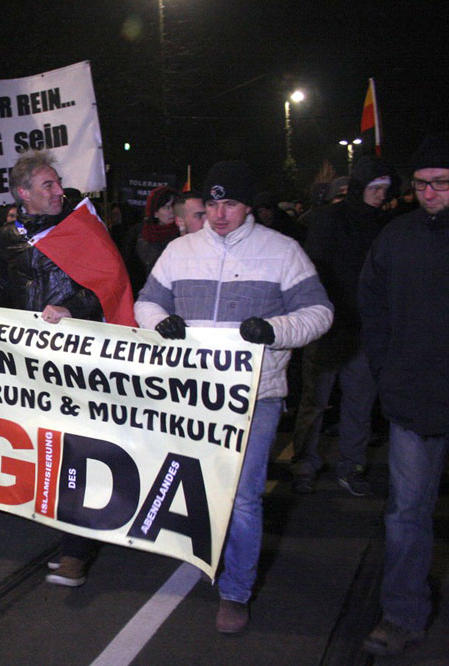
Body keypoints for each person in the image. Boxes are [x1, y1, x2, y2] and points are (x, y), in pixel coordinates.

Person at [134, 161, 333, 633]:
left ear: (249, 207)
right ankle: (201, 555)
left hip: (254, 397)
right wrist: (158, 322)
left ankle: (236, 590)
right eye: (213, 204)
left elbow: (320, 313)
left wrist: (275, 331)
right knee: (194, 486)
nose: (220, 214)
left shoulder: (282, 252)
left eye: (232, 204)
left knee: (244, 498)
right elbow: (147, 300)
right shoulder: (180, 251)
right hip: (190, 394)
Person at [0, 151, 122, 587]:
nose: (58, 191)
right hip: (32, 361)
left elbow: (110, 282)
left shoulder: (81, 224)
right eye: (47, 186)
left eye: (57, 183)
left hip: (79, 354)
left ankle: (76, 551)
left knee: (76, 449)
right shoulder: (8, 236)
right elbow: (3, 282)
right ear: (23, 194)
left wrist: (72, 308)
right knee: (48, 447)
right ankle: (74, 537)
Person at [358, 133, 449, 656]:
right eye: (420, 184)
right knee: (406, 513)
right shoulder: (396, 237)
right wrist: (384, 366)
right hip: (413, 395)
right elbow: (372, 304)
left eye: (440, 183)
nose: (429, 192)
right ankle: (403, 612)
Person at [290, 156, 399, 495]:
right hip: (328, 328)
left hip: (364, 330)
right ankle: (304, 463)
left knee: (359, 402)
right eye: (374, 188)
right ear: (360, 187)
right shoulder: (328, 220)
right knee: (315, 402)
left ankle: (351, 466)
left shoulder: (385, 225)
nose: (380, 195)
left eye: (385, 189)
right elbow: (312, 271)